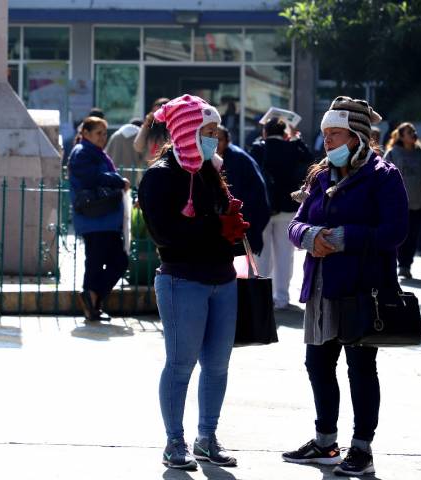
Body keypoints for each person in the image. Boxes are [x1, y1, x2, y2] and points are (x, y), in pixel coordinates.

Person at [285, 96, 408, 477]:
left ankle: (362, 449)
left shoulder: (384, 176)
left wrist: (341, 238)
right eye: (325, 134)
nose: (328, 141)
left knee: (360, 368)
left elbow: (394, 232)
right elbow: (295, 224)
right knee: (317, 364)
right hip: (321, 287)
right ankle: (325, 442)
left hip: (363, 289)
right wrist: (309, 236)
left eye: (335, 133)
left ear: (356, 136)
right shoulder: (320, 176)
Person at [138, 94, 249, 471]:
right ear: (187, 130)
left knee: (217, 366)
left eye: (216, 132)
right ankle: (174, 441)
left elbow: (219, 222)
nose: (214, 139)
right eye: (208, 131)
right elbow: (165, 233)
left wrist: (233, 223)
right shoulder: (159, 175)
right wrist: (217, 226)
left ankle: (207, 437)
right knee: (180, 364)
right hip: (182, 280)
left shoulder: (209, 171)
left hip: (223, 279)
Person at [68, 116, 129, 321]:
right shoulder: (82, 152)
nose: (103, 137)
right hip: (95, 219)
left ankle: (93, 299)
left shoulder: (94, 152)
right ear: (86, 133)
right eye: (98, 133)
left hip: (105, 220)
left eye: (104, 133)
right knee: (101, 261)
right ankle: (92, 299)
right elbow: (91, 177)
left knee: (113, 261)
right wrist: (118, 181)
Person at [249, 118, 313, 309]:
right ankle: (282, 297)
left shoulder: (258, 148)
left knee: (262, 254)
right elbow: (309, 159)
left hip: (264, 208)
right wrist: (296, 138)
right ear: (285, 133)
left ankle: (263, 296)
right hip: (287, 207)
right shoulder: (292, 148)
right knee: (285, 254)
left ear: (265, 132)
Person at [384, 122, 421, 279]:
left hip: (418, 202)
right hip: (397, 203)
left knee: (413, 235)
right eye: (409, 132)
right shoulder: (393, 153)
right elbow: (382, 175)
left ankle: (406, 264)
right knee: (400, 235)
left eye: (414, 131)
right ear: (401, 136)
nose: (413, 134)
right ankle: (401, 263)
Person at [216, 125, 270, 255]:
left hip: (241, 223)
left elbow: (257, 193)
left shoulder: (237, 159)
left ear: (227, 141)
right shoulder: (212, 158)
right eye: (211, 137)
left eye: (219, 139)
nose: (215, 143)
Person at [105, 118, 145, 185]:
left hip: (115, 175)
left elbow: (106, 154)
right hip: (134, 177)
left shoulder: (115, 135)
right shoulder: (140, 138)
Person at [134, 97, 171, 162]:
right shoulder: (149, 127)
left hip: (167, 165)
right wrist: (145, 126)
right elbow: (138, 147)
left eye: (159, 112)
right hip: (150, 165)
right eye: (154, 112)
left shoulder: (172, 127)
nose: (156, 115)